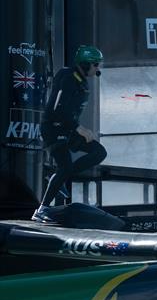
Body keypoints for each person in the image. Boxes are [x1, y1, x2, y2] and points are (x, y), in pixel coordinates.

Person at [32, 45, 107, 223]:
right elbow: (58, 109)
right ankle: (41, 210)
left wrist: (77, 129)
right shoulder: (68, 76)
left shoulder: (81, 80)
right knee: (64, 166)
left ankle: (60, 177)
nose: (98, 69)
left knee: (99, 152)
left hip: (68, 129)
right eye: (95, 65)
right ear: (85, 63)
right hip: (54, 129)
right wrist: (79, 128)